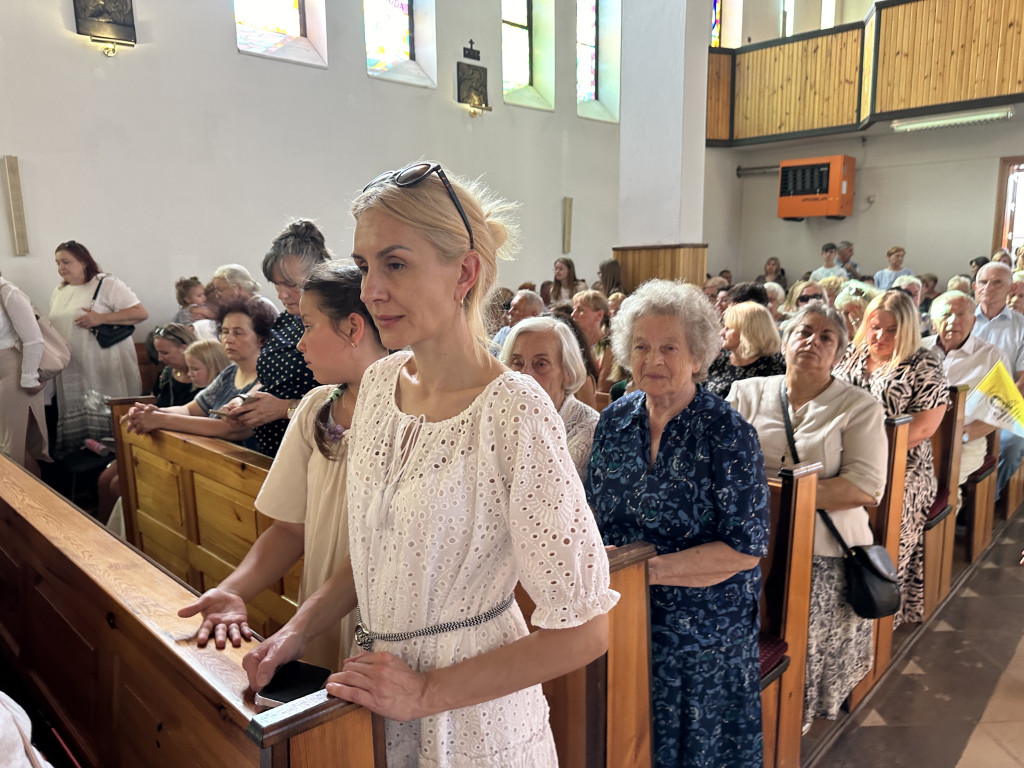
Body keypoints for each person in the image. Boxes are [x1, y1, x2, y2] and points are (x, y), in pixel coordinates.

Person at [240, 162, 617, 765]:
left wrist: (425, 692)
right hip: (382, 696)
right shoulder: (383, 383)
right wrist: (295, 633)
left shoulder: (514, 411)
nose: (370, 290)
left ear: (464, 272)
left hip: (474, 721)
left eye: (395, 264)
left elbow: (584, 631)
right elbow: (379, 559)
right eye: (364, 267)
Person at [586, 279, 769, 768]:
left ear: (697, 356)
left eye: (670, 347)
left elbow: (744, 549)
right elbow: (595, 518)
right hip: (619, 608)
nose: (653, 359)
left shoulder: (727, 433)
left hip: (703, 623)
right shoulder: (615, 421)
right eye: (641, 346)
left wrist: (642, 572)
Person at [177, 263, 390, 669]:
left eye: (308, 327)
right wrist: (234, 590)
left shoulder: (411, 415)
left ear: (353, 328)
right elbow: (291, 529)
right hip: (319, 616)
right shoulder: (315, 407)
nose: (299, 345)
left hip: (385, 617)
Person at [728, 303, 887, 730]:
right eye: (803, 332)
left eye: (825, 337)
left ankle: (793, 718)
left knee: (803, 636)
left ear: (837, 353)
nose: (811, 342)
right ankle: (743, 719)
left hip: (825, 545)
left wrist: (775, 495)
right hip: (749, 538)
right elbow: (721, 464)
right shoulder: (747, 393)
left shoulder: (859, 406)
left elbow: (865, 487)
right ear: (785, 341)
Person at [834, 290, 948, 628]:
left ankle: (879, 609)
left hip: (903, 467)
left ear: (908, 329)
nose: (880, 336)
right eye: (874, 327)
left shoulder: (923, 362)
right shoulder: (851, 355)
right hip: (843, 458)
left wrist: (866, 448)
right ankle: (837, 606)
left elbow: (925, 426)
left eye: (891, 329)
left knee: (893, 513)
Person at [228, 221, 329, 456]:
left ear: (320, 273)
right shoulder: (285, 320)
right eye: (276, 284)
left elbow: (349, 397)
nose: (281, 294)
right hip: (272, 449)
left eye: (291, 285)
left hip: (313, 450)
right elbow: (275, 380)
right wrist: (248, 399)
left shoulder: (336, 323)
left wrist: (285, 408)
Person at [49, 240, 149, 457]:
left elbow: (140, 313)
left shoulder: (106, 284)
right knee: (82, 434)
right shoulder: (59, 291)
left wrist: (101, 318)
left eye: (66, 262)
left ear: (83, 261)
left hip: (104, 363)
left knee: (108, 421)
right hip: (74, 364)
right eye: (57, 263)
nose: (61, 268)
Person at [125, 298, 274, 442]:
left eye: (238, 332)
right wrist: (150, 412)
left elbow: (231, 429)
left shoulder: (268, 376)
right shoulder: (230, 373)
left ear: (262, 338)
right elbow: (189, 410)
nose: (228, 339)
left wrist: (162, 419)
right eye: (225, 331)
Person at [923, 291, 1008, 497]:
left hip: (964, 441)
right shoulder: (918, 348)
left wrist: (964, 433)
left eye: (962, 315)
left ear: (973, 322)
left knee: (935, 488)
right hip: (918, 437)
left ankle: (942, 524)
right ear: (933, 322)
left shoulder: (990, 356)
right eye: (945, 315)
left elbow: (1003, 412)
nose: (953, 321)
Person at [501, 316, 599, 478]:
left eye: (541, 364)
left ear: (568, 372)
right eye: (517, 363)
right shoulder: (500, 416)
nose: (524, 374)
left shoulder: (588, 428)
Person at [971, 261, 1024, 495]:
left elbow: (1022, 381)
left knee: (1011, 445)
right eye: (983, 282)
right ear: (974, 286)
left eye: (997, 283)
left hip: (1007, 403)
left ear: (1009, 289)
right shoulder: (962, 320)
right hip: (964, 401)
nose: (988, 287)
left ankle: (988, 500)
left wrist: (992, 413)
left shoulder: (1021, 326)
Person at [0, 273, 50, 476]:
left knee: (15, 449)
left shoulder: (8, 293)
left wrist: (29, 378)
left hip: (12, 372)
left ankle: (38, 506)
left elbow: (33, 339)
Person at [705, 301, 785, 397]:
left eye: (728, 328)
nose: (721, 333)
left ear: (747, 332)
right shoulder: (717, 363)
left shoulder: (775, 372)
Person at [572, 289, 614, 393]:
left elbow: (602, 391)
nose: (573, 315)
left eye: (580, 310)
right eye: (574, 309)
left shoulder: (609, 348)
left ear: (599, 315)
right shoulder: (572, 345)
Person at [150, 323, 198, 407]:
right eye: (158, 352)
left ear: (184, 349)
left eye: (164, 353)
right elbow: (152, 402)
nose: (160, 359)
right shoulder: (165, 374)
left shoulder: (207, 376)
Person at [211, 263, 280, 318]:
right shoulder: (240, 308)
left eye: (220, 290)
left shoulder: (261, 307)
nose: (217, 296)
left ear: (238, 287)